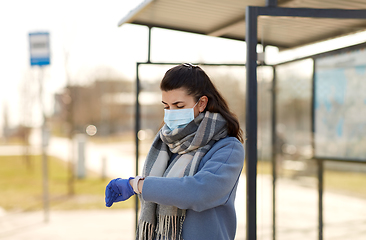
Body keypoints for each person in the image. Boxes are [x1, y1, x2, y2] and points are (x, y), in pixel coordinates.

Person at [105, 63, 245, 240]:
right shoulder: (167, 143)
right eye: (166, 106)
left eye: (179, 106)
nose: (171, 113)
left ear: (201, 103)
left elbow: (199, 192)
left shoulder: (228, 147)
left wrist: (138, 184)